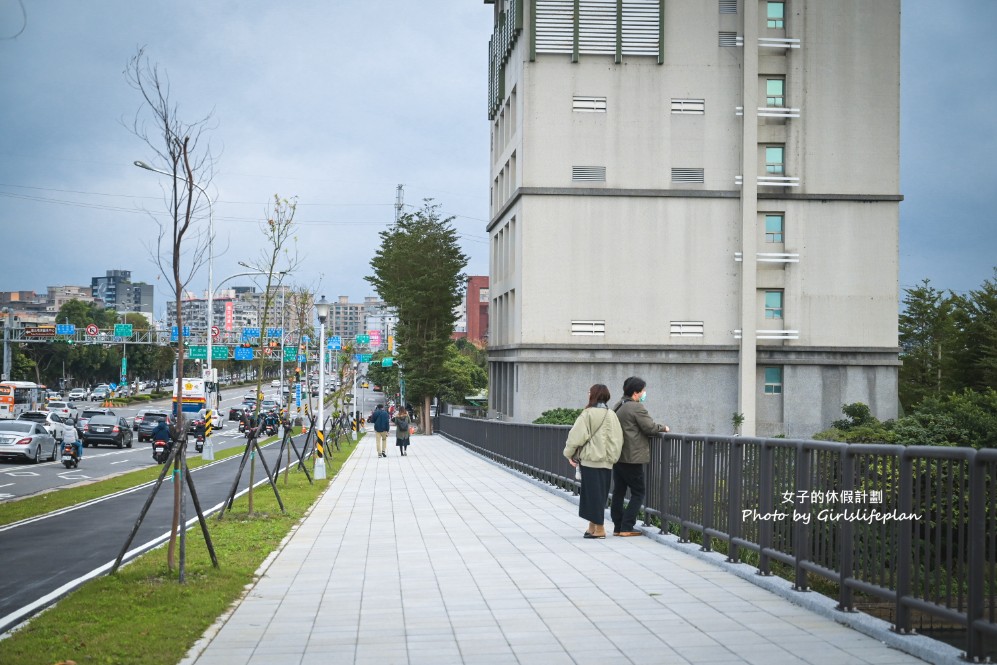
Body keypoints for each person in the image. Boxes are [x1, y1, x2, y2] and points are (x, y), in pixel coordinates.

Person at [563, 384, 624, 539]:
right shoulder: (612, 415)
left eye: (589, 392)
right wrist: (613, 457)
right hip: (608, 461)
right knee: (600, 494)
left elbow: (575, 436)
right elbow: (618, 439)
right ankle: (592, 526)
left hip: (591, 460)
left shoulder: (588, 414)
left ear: (594, 395)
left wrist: (569, 454)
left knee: (591, 494)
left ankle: (600, 529)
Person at [611, 376, 670, 537]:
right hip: (633, 457)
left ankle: (618, 526)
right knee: (638, 492)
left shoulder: (618, 405)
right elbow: (649, 427)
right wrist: (663, 427)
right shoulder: (636, 407)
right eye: (643, 390)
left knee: (619, 491)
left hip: (619, 456)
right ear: (636, 393)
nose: (644, 393)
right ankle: (627, 526)